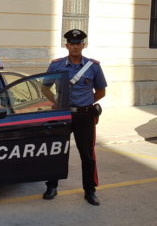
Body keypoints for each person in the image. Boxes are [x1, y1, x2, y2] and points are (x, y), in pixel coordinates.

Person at [42, 29, 107, 206]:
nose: (75, 46)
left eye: (78, 43)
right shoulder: (56, 65)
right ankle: (52, 186)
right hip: (62, 114)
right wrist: (56, 101)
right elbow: (45, 87)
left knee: (87, 155)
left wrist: (86, 103)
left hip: (84, 117)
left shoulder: (93, 66)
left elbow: (101, 91)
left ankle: (90, 190)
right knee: (56, 152)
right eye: (72, 43)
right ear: (67, 45)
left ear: (83, 45)